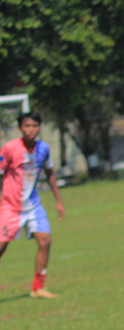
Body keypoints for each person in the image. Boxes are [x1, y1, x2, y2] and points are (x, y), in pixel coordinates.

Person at [0, 111, 66, 299]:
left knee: (45, 240)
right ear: (20, 128)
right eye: (27, 126)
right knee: (1, 246)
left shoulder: (43, 149)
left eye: (35, 126)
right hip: (10, 206)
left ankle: (38, 288)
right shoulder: (10, 148)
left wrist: (58, 202)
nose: (31, 129)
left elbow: (50, 173)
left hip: (33, 205)